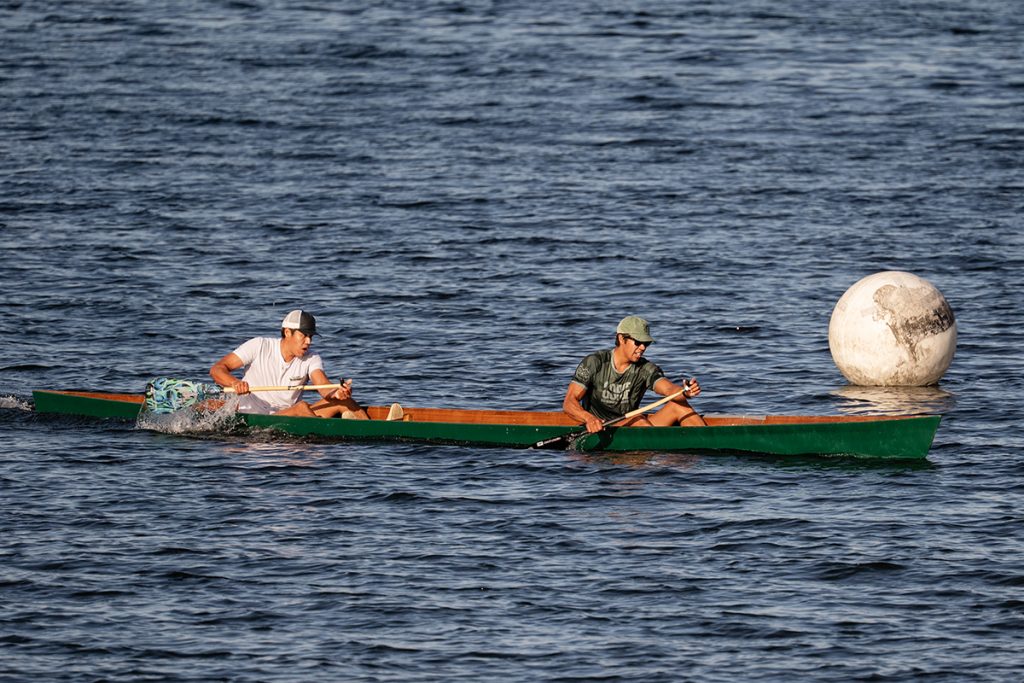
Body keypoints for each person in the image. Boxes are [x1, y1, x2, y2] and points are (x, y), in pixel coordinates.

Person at [210, 309, 370, 418]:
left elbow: (322, 384)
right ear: (287, 332)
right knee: (302, 407)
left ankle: (372, 430)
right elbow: (217, 369)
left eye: (311, 337)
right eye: (304, 336)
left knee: (345, 401)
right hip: (257, 416)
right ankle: (328, 430)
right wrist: (235, 383)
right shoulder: (259, 345)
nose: (309, 342)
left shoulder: (311, 358)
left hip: (290, 414)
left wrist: (337, 392)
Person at [563, 315, 706, 433]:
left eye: (646, 343)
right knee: (639, 421)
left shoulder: (645, 368)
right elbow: (569, 402)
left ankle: (707, 446)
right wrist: (589, 419)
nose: (643, 347)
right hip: (600, 428)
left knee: (679, 405)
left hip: (631, 425)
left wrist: (685, 392)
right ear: (621, 338)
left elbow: (668, 389)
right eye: (638, 342)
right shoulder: (594, 362)